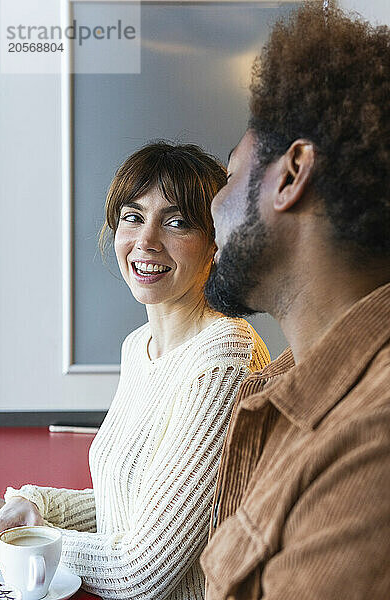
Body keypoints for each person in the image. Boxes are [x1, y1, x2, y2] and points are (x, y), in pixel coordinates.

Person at [0, 142, 270, 599]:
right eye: (133, 216)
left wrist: (34, 541)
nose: (146, 241)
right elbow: (125, 505)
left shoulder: (223, 360)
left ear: (216, 242)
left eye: (176, 222)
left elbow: (141, 572)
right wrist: (30, 505)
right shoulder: (138, 347)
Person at [201, 2, 390, 598]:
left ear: (291, 175)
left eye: (229, 177)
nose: (213, 208)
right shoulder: (285, 387)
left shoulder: (371, 442)